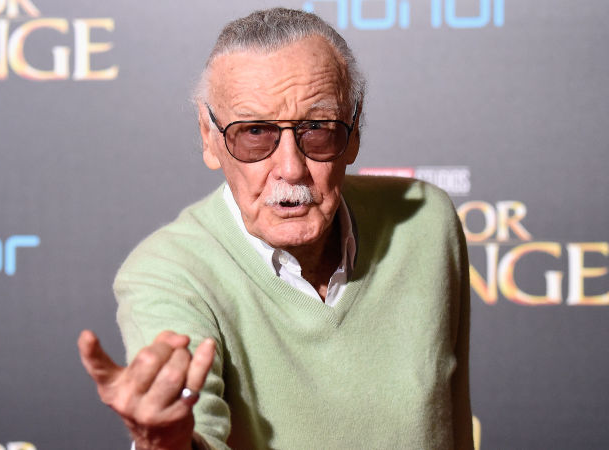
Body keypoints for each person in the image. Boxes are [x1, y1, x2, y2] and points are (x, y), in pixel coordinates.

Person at [79, 7, 472, 450]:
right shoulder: (167, 273)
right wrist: (165, 439)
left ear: (354, 131)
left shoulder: (426, 222)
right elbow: (193, 428)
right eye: (254, 133)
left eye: (318, 129)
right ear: (209, 138)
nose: (290, 168)